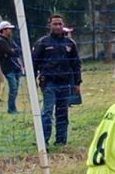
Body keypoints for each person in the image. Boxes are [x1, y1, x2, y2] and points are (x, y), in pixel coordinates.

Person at [32, 15, 82, 146]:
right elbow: (34, 62)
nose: (58, 26)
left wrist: (77, 82)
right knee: (47, 112)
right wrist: (32, 80)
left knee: (62, 113)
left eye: (60, 24)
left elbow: (76, 64)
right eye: (55, 24)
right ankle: (43, 141)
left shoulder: (70, 43)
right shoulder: (43, 42)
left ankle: (61, 141)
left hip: (65, 83)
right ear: (49, 25)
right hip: (49, 82)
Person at [0, 21, 23, 114]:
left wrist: (14, 51)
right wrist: (14, 51)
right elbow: (9, 52)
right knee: (13, 87)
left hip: (15, 66)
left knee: (15, 88)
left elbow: (18, 50)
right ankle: (11, 108)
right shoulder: (1, 40)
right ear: (3, 30)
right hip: (8, 67)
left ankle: (13, 107)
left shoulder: (10, 40)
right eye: (8, 29)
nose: (10, 30)